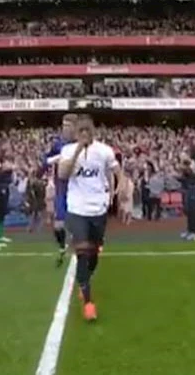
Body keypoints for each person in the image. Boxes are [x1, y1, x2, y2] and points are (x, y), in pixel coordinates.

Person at [58, 114, 121, 322]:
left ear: (93, 132)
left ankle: (85, 280)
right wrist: (78, 150)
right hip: (77, 209)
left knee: (93, 254)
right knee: (83, 253)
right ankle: (88, 302)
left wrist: (119, 188)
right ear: (76, 134)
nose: (84, 134)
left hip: (98, 208)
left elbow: (116, 171)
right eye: (81, 131)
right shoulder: (68, 150)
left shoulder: (104, 151)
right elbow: (63, 175)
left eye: (88, 131)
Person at [45, 114, 78, 266]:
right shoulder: (58, 144)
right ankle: (62, 247)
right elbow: (45, 160)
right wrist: (56, 158)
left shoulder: (81, 144)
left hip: (78, 188)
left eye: (68, 125)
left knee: (79, 222)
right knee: (58, 225)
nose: (65, 129)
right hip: (62, 188)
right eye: (64, 125)